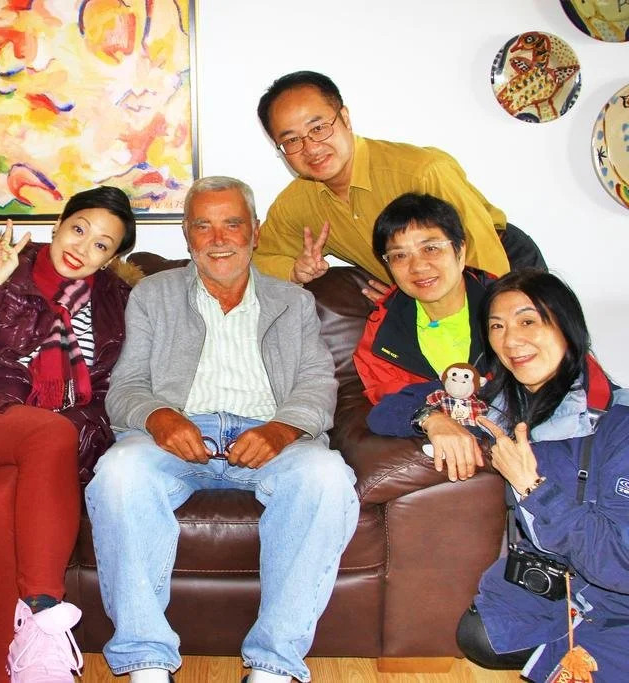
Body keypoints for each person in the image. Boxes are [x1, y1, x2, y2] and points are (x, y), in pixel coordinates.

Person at [84, 176, 359, 683]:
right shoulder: (152, 294)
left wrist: (282, 429)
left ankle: (273, 666)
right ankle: (147, 662)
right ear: (186, 234)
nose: (218, 239)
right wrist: (159, 417)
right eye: (203, 226)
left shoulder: (292, 301)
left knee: (326, 477)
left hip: (269, 435)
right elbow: (125, 386)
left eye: (232, 223)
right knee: (118, 473)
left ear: (255, 231)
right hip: (176, 436)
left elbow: (318, 383)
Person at [0, 186, 139, 683]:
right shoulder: (7, 267)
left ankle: (5, 670)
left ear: (110, 259)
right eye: (78, 229)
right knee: (49, 431)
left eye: (101, 244)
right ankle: (44, 608)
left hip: (40, 452)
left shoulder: (117, 304)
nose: (82, 247)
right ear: (58, 224)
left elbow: (109, 396)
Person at [453, 270, 629, 682]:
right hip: (565, 586)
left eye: (528, 321)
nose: (511, 340)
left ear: (566, 327)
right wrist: (433, 419)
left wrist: (532, 488)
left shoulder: (618, 425)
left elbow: (621, 564)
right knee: (481, 635)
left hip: (617, 600)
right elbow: (390, 409)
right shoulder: (503, 405)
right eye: (497, 326)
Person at [253, 70, 546, 291]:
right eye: (291, 140)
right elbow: (257, 259)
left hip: (500, 266)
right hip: (425, 292)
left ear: (345, 118)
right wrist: (294, 271)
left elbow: (485, 258)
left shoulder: (422, 171)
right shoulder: (297, 204)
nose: (311, 147)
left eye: (318, 128)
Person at [355, 193, 495, 482]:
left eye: (431, 248)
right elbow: (387, 398)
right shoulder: (383, 332)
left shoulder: (508, 305)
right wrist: (431, 417)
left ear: (460, 251)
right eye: (399, 256)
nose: (418, 267)